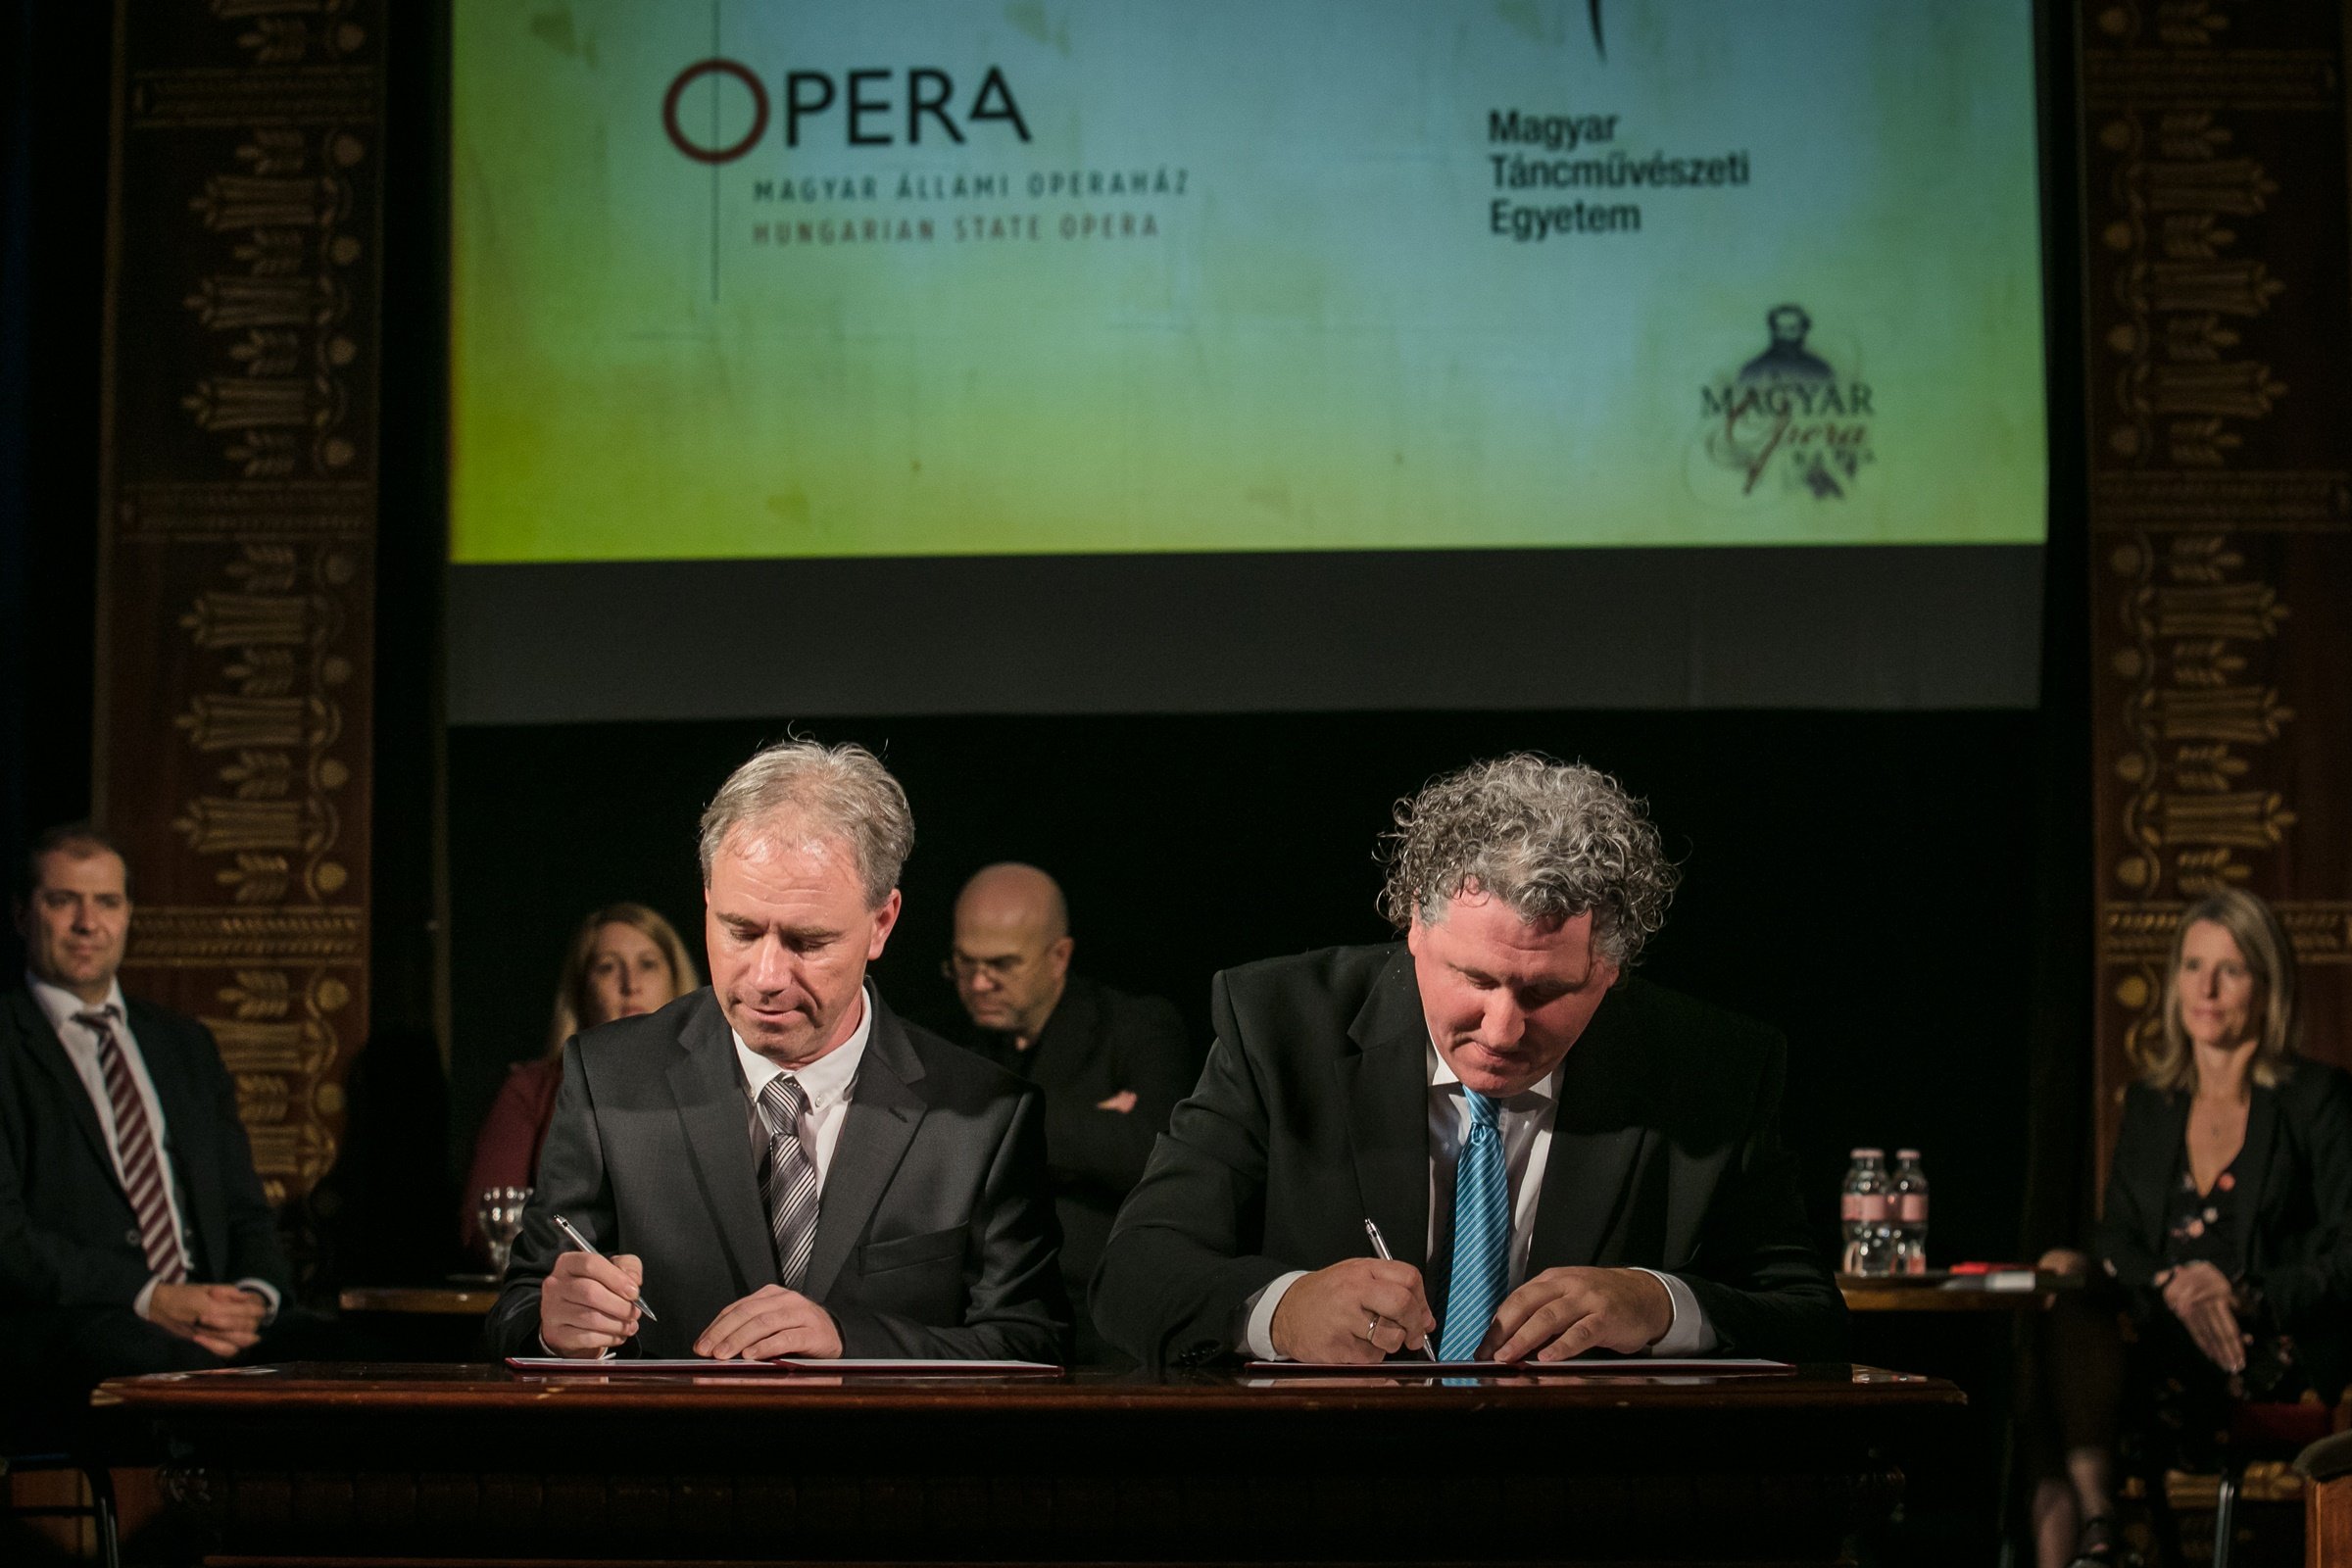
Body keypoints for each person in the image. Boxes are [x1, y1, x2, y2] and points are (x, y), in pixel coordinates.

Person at [1092, 755, 1845, 1368]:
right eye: (1476, 979)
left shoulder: (1712, 1066)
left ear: (1610, 971)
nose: (1503, 1028)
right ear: (1414, 927)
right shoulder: (1279, 1026)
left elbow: (1810, 1321)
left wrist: (1660, 1305)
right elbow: (1134, 1274)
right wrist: (1281, 1311)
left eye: (1547, 991)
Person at [484, 740, 1069, 1362]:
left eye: (807, 942)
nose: (766, 977)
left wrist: (849, 1341)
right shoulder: (610, 1080)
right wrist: (555, 1329)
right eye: (739, 931)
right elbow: (518, 1312)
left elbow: (1033, 1344)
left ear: (882, 923)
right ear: (707, 900)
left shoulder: (983, 1116)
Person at [2026, 890, 2352, 1568]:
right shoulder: (2153, 1102)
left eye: (2230, 970)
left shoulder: (2315, 1099)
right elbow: (2116, 1238)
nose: (2206, 989)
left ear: (2267, 985)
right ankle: (2099, 1525)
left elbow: (2347, 1254)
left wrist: (2240, 1292)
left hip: (2259, 1349)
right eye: (2193, 966)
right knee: (2063, 1283)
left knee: (2057, 1403)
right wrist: (2174, 1281)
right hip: (2159, 1337)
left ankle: (2094, 1538)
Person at [0, 824, 295, 1405]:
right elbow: (7, 1239)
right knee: (181, 1371)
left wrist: (254, 1298)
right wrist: (150, 1297)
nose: (88, 923)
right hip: (76, 1322)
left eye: (107, 902)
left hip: (212, 1317)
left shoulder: (183, 1044)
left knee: (360, 1356)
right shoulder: (7, 1042)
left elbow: (244, 1208)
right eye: (63, 901)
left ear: (129, 914)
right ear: (22, 915)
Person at [946, 862, 1196, 1361]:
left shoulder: (1136, 1028)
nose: (979, 983)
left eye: (1002, 965)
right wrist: (1089, 1119)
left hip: (1105, 1325)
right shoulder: (946, 1038)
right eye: (964, 963)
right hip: (977, 1318)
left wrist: (987, 1122)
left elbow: (1154, 1154)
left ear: (1059, 956)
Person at [458, 904, 699, 1258]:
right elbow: (489, 1226)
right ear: (582, 990)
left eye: (648, 964)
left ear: (676, 980)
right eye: (607, 967)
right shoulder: (533, 1090)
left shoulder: (718, 1083)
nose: (630, 984)